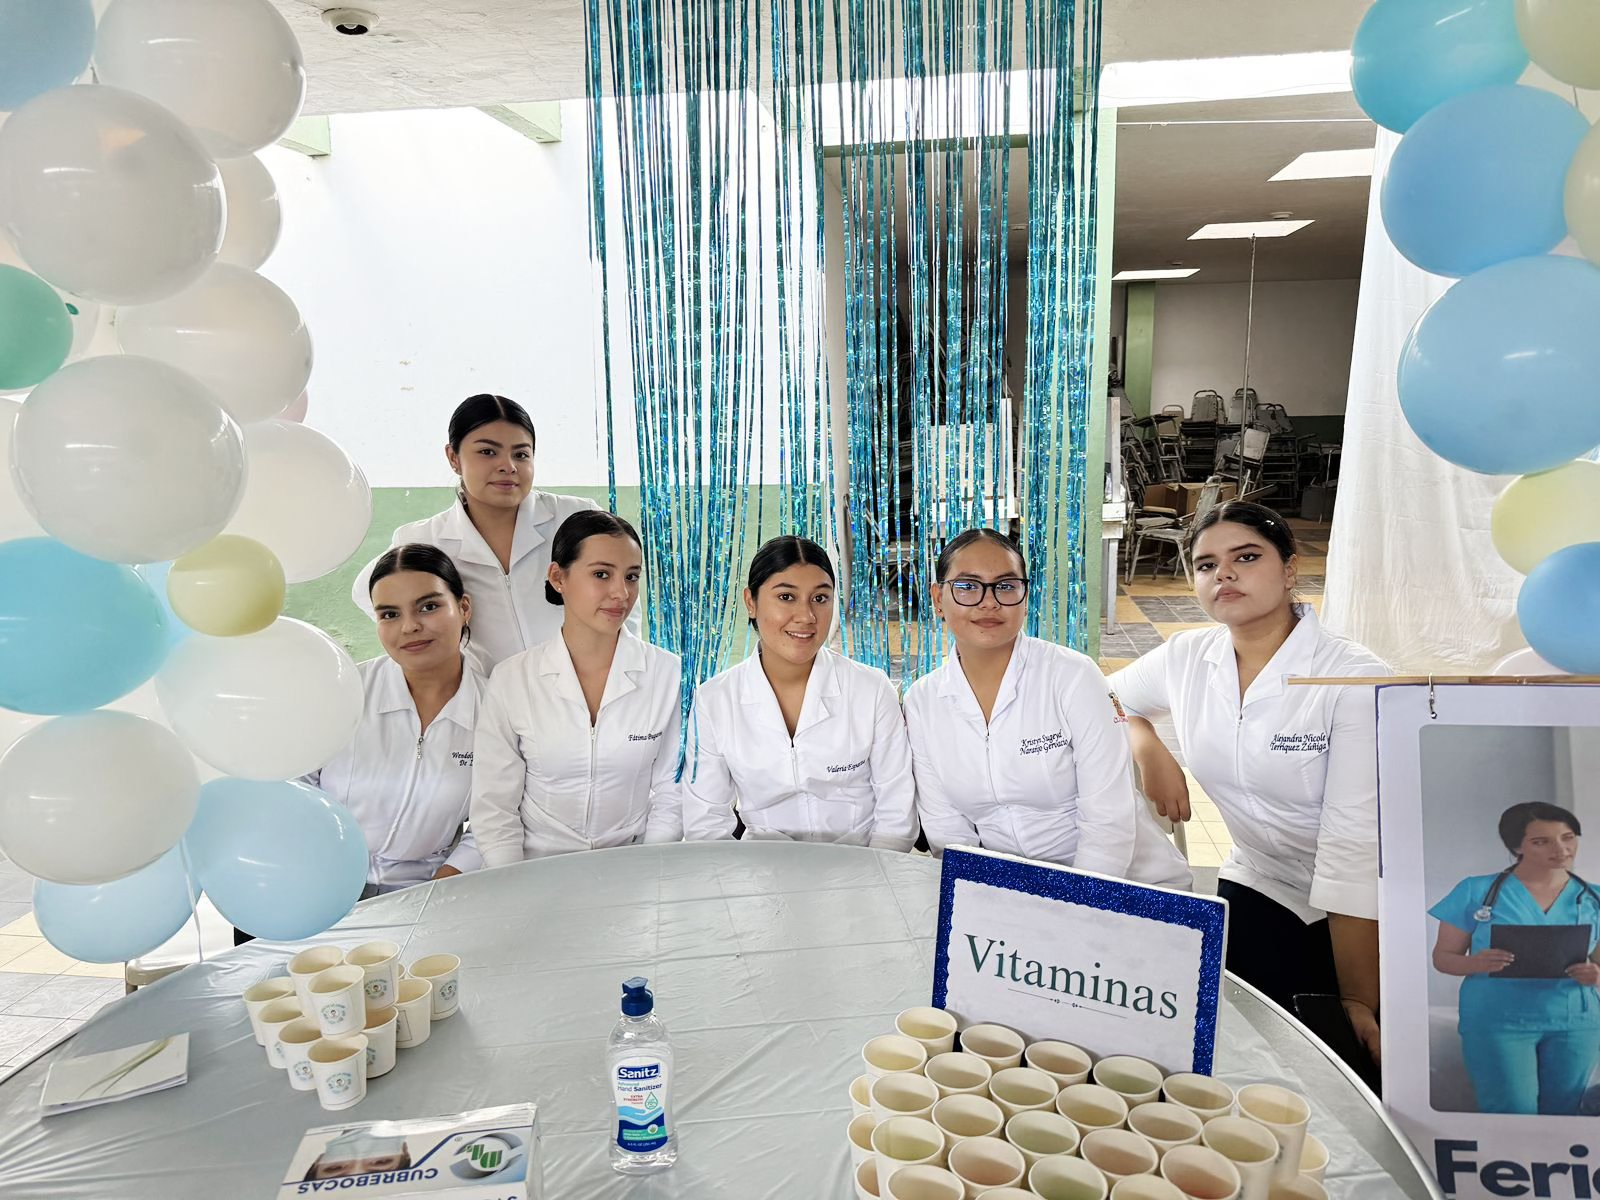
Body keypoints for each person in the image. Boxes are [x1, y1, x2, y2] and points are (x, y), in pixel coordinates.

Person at [1110, 501, 1390, 1063]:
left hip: (1371, 900)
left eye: (1246, 557)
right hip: (1261, 877)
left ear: (1289, 569)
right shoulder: (1188, 656)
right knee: (1232, 1039)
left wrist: (1360, 997)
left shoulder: (1353, 678)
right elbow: (1105, 698)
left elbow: (1354, 849)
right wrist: (1145, 742)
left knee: (1345, 1051)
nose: (1224, 574)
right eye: (1206, 564)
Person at [904, 529, 1191, 888]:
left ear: (1025, 597)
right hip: (1009, 892)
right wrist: (983, 896)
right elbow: (946, 828)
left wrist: (1072, 905)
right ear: (938, 598)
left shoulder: (1073, 677)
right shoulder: (922, 702)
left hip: (1125, 886)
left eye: (1006, 586)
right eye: (967, 586)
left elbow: (1108, 822)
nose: (988, 602)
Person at [352, 394, 639, 670]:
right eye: (487, 452)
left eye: (521, 454)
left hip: (581, 694)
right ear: (453, 457)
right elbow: (368, 596)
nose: (508, 466)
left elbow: (624, 603)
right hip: (487, 698)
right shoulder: (424, 540)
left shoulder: (575, 517)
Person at [680, 536, 917, 850]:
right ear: (751, 602)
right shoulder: (715, 701)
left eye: (820, 598)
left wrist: (873, 873)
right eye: (786, 597)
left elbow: (896, 812)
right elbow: (706, 823)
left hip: (862, 862)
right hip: (762, 866)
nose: (806, 616)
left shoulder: (871, 689)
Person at [470, 510, 682, 862]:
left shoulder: (668, 674)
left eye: (632, 576)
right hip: (535, 869)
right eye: (601, 574)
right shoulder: (513, 679)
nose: (621, 593)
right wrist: (511, 880)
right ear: (558, 577)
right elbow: (494, 805)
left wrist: (649, 870)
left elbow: (672, 791)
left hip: (634, 865)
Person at [304, 544, 484, 894]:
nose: (410, 627)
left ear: (463, 608)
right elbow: (296, 783)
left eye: (428, 607)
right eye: (389, 614)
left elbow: (491, 820)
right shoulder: (345, 691)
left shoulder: (494, 710)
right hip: (321, 879)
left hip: (427, 890)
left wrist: (439, 889)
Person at [1431, 802, 1600, 1115]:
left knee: (1565, 1118)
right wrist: (1475, 963)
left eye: (1567, 837)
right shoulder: (1476, 891)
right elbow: (1443, 958)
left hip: (1575, 1023)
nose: (1560, 849)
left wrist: (1595, 974)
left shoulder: (1595, 897)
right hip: (1498, 1022)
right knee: (1511, 1114)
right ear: (1516, 846)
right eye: (1542, 841)